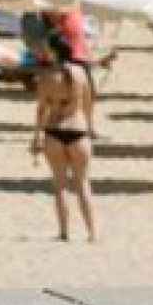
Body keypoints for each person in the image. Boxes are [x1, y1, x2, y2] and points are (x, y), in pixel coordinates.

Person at [31, 32, 97, 242]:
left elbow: (41, 110)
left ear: (53, 51)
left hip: (54, 130)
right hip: (78, 130)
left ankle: (64, 232)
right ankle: (92, 232)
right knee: (82, 183)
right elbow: (88, 104)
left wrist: (36, 137)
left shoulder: (47, 76)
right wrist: (90, 126)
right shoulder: (81, 74)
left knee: (59, 185)